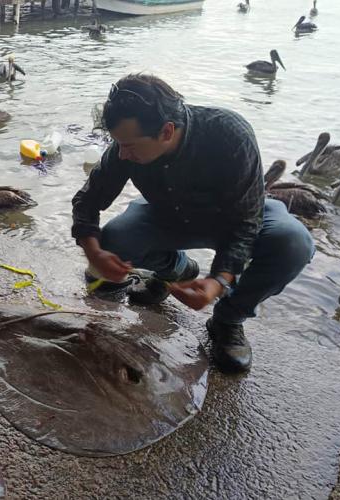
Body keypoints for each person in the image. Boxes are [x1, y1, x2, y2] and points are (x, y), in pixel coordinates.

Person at [71, 73, 314, 374]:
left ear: (166, 132)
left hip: (238, 215)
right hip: (167, 214)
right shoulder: (126, 145)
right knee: (114, 239)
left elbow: (245, 222)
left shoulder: (230, 134)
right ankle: (174, 270)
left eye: (130, 146)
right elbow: (89, 199)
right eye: (118, 144)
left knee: (294, 243)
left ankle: (228, 320)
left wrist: (219, 281)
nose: (122, 154)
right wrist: (94, 253)